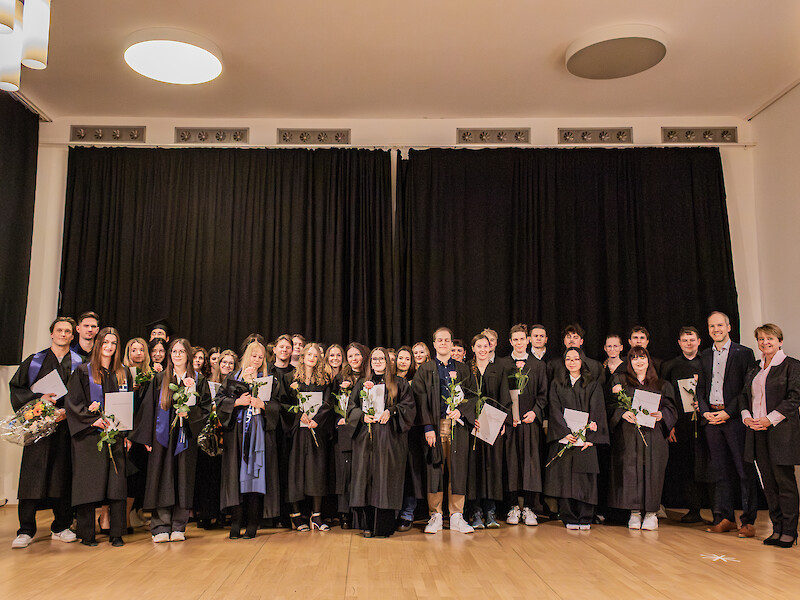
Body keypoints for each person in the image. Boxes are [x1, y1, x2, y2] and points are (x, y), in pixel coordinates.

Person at [130, 338, 212, 543]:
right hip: (162, 439)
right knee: (162, 479)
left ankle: (178, 526)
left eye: (181, 351)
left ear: (188, 355)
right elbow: (148, 409)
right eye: (174, 351)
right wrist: (147, 438)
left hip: (186, 438)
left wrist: (189, 415)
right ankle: (160, 526)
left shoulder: (198, 380)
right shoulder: (160, 379)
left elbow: (205, 409)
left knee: (183, 480)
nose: (177, 355)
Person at [9, 317, 81, 549]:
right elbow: (17, 388)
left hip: (66, 428)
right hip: (38, 428)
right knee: (32, 476)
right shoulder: (34, 361)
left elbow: (86, 395)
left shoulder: (80, 363)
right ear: (52, 333)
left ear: (72, 336)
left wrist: (67, 412)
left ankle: (61, 526)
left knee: (62, 476)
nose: (63, 334)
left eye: (67, 331)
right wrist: (39, 399)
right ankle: (25, 530)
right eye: (59, 330)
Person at [66, 327, 132, 546]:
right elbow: (73, 403)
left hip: (115, 435)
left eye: (113, 343)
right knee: (89, 485)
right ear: (98, 344)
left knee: (117, 485)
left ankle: (116, 533)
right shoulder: (83, 371)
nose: (109, 347)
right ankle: (87, 534)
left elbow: (129, 405)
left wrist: (127, 433)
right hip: (89, 437)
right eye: (105, 342)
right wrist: (91, 420)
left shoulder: (123, 373)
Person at [698, 311, 758, 537]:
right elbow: (700, 388)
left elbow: (746, 389)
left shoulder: (744, 353)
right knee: (719, 471)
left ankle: (748, 521)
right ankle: (724, 518)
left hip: (734, 420)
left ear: (729, 327)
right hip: (711, 420)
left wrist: (728, 412)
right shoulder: (705, 355)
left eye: (720, 325)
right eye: (712, 326)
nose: (716, 330)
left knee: (743, 471)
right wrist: (705, 411)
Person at [740, 324, 800, 548]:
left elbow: (794, 399)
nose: (765, 342)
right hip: (757, 431)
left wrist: (769, 419)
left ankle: (790, 531)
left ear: (780, 341)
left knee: (784, 483)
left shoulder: (792, 366)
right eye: (761, 339)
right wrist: (747, 417)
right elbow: (744, 396)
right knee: (768, 483)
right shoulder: (754, 368)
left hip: (781, 432)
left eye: (770, 338)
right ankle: (777, 528)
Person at [412, 327, 476, 534]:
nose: (443, 343)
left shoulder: (463, 369)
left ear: (451, 343)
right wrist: (428, 427)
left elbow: (473, 395)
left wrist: (461, 411)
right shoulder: (426, 369)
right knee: (435, 469)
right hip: (435, 426)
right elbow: (420, 400)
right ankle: (436, 515)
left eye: (447, 340)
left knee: (458, 469)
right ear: (434, 344)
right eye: (439, 340)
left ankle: (457, 515)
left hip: (458, 425)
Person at [348, 347, 416, 537]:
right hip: (366, 440)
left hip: (390, 440)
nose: (377, 362)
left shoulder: (399, 383)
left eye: (381, 359)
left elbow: (409, 407)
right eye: (374, 359)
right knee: (366, 480)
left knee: (386, 481)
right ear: (370, 362)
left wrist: (391, 411)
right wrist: (362, 416)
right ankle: (367, 525)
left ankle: (384, 526)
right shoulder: (362, 383)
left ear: (387, 361)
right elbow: (351, 408)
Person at [608, 347, 677, 530]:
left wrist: (662, 415)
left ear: (648, 360)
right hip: (630, 436)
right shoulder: (622, 383)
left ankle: (652, 514)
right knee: (631, 472)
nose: (639, 361)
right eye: (634, 358)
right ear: (629, 362)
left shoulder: (662, 385)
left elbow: (671, 408)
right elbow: (609, 405)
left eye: (642, 357)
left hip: (654, 436)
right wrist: (622, 413)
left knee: (653, 472)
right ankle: (635, 512)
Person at [216, 341, 281, 538]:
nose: (257, 360)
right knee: (236, 476)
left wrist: (264, 405)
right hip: (237, 434)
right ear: (246, 356)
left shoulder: (269, 380)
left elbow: (278, 405)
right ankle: (236, 521)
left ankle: (253, 523)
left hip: (259, 434)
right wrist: (237, 402)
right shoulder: (233, 378)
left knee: (256, 476)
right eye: (254, 356)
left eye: (261, 357)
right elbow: (219, 401)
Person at [545, 348, 609, 529]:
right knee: (564, 478)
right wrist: (564, 432)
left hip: (585, 440)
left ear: (582, 361)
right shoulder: (557, 384)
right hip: (566, 438)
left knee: (585, 478)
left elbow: (598, 410)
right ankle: (569, 517)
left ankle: (586, 516)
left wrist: (590, 437)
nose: (572, 362)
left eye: (576, 359)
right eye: (568, 359)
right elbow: (554, 410)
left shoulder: (592, 384)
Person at [499, 323, 549, 526]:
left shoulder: (538, 366)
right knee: (511, 463)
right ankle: (512, 506)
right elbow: (499, 393)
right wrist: (507, 416)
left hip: (529, 422)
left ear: (527, 340)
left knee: (530, 464)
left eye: (522, 339)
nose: (519, 343)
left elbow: (544, 394)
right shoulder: (502, 364)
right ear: (510, 342)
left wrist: (535, 412)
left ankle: (529, 507)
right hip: (510, 423)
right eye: (515, 340)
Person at [661, 326, 709, 523]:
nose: (689, 343)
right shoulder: (670, 366)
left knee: (707, 464)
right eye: (685, 340)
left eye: (692, 339)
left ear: (699, 341)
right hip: (680, 425)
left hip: (706, 422)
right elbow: (665, 398)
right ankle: (693, 509)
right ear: (679, 343)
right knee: (686, 467)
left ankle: (716, 510)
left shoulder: (707, 362)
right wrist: (669, 425)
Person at [283, 343, 331, 531]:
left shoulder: (324, 380)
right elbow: (283, 403)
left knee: (316, 470)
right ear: (302, 357)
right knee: (295, 471)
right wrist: (297, 414)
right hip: (296, 431)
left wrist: (317, 420)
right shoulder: (290, 378)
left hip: (315, 430)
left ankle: (316, 515)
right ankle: (295, 515)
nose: (312, 357)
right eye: (309, 354)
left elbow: (328, 402)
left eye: (316, 355)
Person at [466, 334, 511, 529]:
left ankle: (490, 511)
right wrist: (471, 419)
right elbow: (463, 397)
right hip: (473, 425)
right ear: (473, 348)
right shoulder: (467, 369)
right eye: (479, 346)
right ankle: (475, 511)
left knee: (492, 467)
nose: (483, 349)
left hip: (493, 423)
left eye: (486, 346)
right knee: (474, 468)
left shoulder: (498, 369)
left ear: (491, 347)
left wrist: (502, 422)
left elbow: (504, 398)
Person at [332, 343, 368, 529]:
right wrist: (338, 418)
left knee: (361, 472)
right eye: (350, 356)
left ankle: (361, 513)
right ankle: (345, 513)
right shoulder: (340, 378)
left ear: (364, 356)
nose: (354, 359)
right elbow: (331, 403)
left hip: (364, 430)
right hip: (345, 431)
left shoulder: (369, 377)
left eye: (357, 355)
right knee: (345, 473)